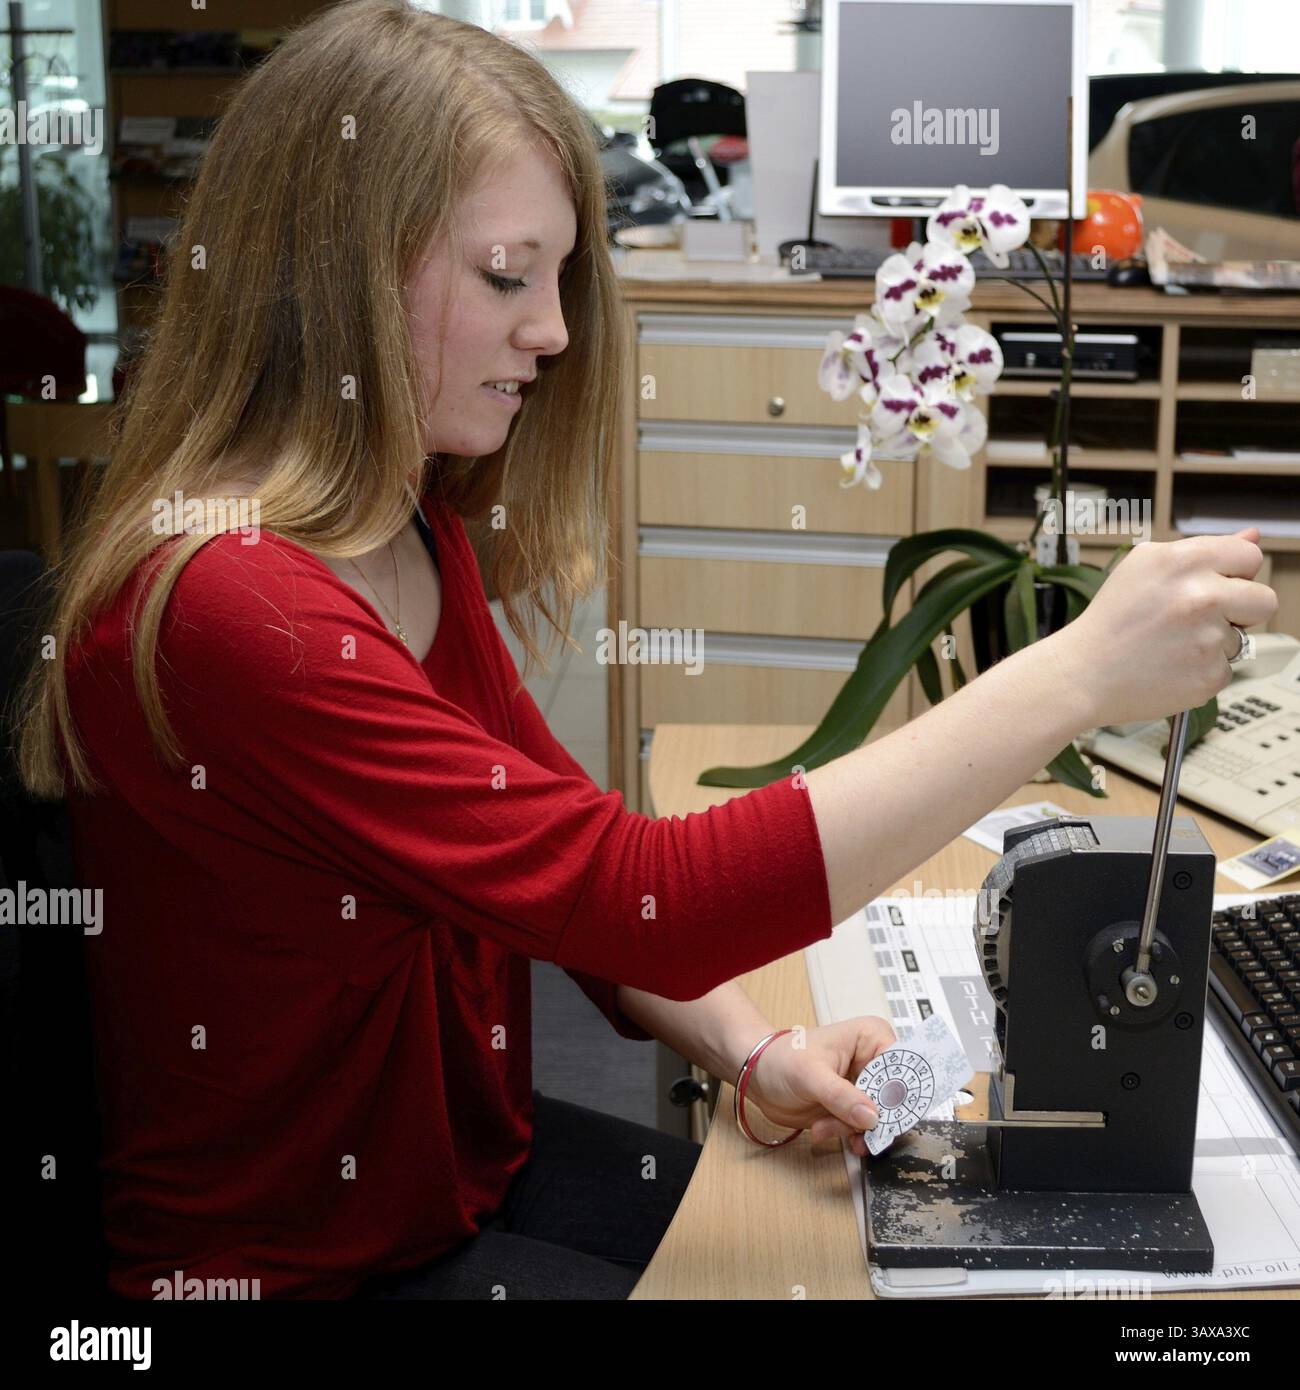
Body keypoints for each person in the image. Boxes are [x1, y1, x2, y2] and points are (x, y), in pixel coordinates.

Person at [10, 0, 1277, 1301]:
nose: (554, 331)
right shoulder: (237, 612)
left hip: (459, 1174)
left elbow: (568, 875)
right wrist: (1075, 671)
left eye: (559, 279)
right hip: (300, 1270)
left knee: (847, 1251)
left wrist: (749, 1047)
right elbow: (640, 893)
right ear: (334, 277)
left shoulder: (405, 528)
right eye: (508, 276)